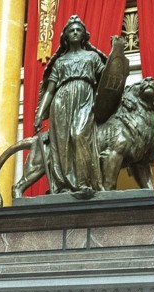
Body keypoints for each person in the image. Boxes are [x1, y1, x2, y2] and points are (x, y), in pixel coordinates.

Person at [34, 16, 108, 195]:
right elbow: (50, 90)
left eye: (78, 30)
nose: (75, 32)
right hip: (61, 101)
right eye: (71, 30)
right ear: (65, 36)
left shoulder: (92, 57)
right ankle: (64, 185)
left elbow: (105, 80)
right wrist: (39, 114)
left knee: (79, 135)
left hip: (84, 98)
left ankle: (84, 182)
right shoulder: (60, 62)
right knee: (62, 143)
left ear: (83, 35)